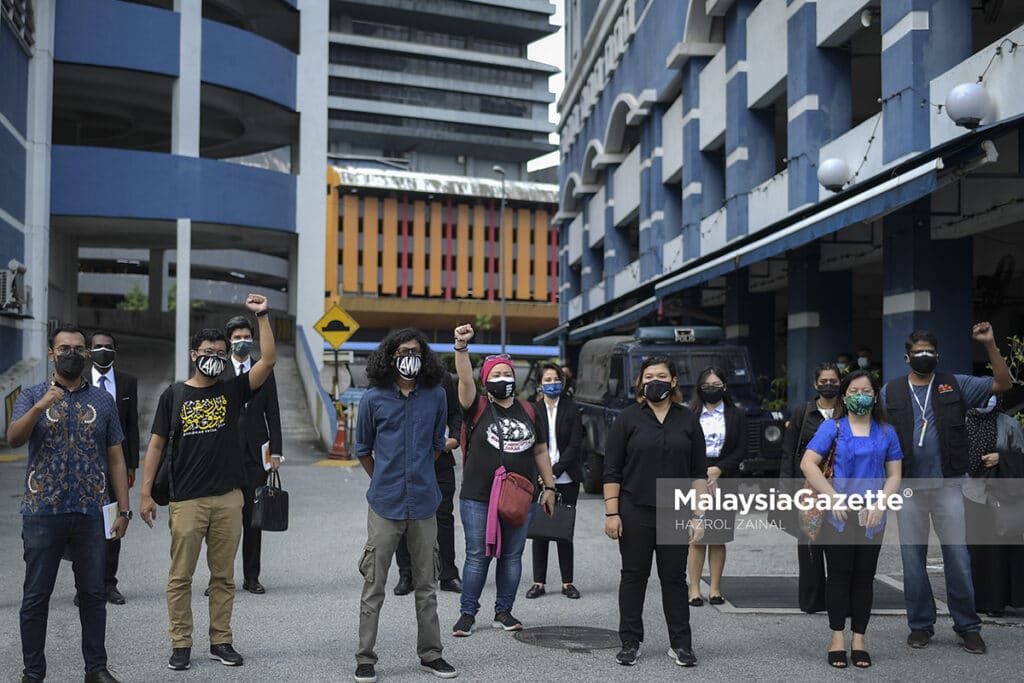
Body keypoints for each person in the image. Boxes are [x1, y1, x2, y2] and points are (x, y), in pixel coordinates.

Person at [139, 294, 277, 671]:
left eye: (221, 349)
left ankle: (221, 640)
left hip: (229, 498)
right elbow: (155, 445)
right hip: (186, 501)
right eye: (207, 350)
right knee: (180, 577)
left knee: (223, 577)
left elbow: (268, 360)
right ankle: (181, 643)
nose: (215, 354)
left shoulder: (234, 390)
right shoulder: (175, 394)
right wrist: (146, 492)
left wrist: (262, 316)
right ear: (193, 354)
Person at [8, 324, 131, 683]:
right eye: (64, 348)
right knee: (35, 598)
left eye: (78, 348)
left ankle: (96, 669)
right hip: (42, 511)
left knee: (93, 594)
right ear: (51, 353)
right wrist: (41, 407)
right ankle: (33, 672)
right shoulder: (31, 394)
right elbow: (13, 437)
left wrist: (122, 510)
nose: (72, 354)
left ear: (87, 354)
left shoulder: (103, 401)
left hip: (90, 512)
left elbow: (117, 459)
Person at [880, 324, 1011, 654]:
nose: (924, 357)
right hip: (908, 487)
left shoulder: (957, 384)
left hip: (949, 484)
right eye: (918, 352)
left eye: (929, 352)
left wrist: (990, 345)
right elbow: (878, 436)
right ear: (906, 357)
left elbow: (1003, 383)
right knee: (912, 559)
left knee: (957, 557)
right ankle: (921, 625)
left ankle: (967, 626)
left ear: (936, 356)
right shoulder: (889, 391)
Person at [353, 328, 457, 683]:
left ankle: (431, 655)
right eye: (401, 352)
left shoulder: (436, 395)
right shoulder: (373, 399)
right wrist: (384, 478)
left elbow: (436, 443)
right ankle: (365, 659)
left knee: (427, 585)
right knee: (374, 584)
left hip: (425, 503)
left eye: (414, 351)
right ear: (389, 358)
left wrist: (420, 473)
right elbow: (363, 450)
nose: (408, 357)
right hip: (385, 504)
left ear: (424, 356)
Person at [451, 323, 556, 637]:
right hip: (478, 495)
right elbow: (465, 379)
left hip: (520, 495)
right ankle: (467, 614)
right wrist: (461, 347)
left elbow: (540, 450)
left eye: (506, 374)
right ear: (486, 381)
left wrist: (549, 487)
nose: (502, 379)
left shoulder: (529, 410)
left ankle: (504, 611)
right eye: (495, 375)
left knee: (512, 556)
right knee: (477, 555)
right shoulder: (477, 406)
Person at [603, 356, 707, 668]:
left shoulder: (687, 420)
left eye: (662, 375)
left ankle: (681, 644)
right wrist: (612, 514)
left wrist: (700, 516)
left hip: (676, 508)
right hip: (634, 509)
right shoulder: (628, 419)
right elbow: (611, 470)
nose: (654, 381)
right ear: (640, 383)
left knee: (674, 578)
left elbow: (698, 473)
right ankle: (630, 642)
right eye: (648, 376)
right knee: (634, 576)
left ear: (674, 381)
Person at [801, 369, 903, 669]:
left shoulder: (886, 432)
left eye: (867, 392)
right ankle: (837, 638)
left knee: (864, 577)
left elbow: (894, 474)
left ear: (876, 396)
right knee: (839, 576)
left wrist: (882, 504)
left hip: (873, 517)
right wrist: (831, 497)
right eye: (855, 391)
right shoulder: (832, 428)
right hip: (838, 517)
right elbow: (809, 463)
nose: (861, 396)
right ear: (844, 396)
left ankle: (859, 639)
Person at [220, 315, 282, 595]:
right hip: (226, 455)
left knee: (253, 520)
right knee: (223, 522)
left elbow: (274, 413)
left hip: (257, 456)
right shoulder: (218, 371)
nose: (242, 342)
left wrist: (276, 452)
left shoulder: (264, 369)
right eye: (237, 338)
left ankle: (251, 577)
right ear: (228, 341)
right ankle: (220, 578)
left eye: (247, 337)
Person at [779, 362, 842, 613]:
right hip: (808, 491)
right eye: (824, 382)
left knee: (839, 546)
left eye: (833, 381)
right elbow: (788, 451)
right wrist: (785, 489)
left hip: (840, 490)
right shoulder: (802, 412)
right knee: (809, 545)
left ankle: (838, 597)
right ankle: (812, 600)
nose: (829, 386)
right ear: (815, 385)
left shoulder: (848, 412)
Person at [394, 371, 463, 596]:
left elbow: (455, 414)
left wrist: (454, 438)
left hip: (440, 459)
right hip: (405, 460)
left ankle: (448, 574)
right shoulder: (394, 379)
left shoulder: (441, 379)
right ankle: (407, 574)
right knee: (404, 517)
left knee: (443, 516)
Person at [686, 366, 746, 607]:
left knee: (718, 537)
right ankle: (694, 589)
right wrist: (700, 473)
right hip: (694, 477)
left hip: (725, 477)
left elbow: (742, 448)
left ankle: (715, 589)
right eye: (707, 385)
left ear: (725, 387)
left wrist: (719, 469)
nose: (711, 389)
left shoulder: (736, 414)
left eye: (716, 385)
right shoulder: (689, 414)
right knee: (696, 536)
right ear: (700, 388)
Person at [89, 330, 139, 606]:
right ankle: (85, 584)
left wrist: (132, 465)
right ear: (89, 351)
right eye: (97, 347)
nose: (103, 351)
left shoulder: (128, 382)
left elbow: (132, 426)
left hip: (116, 467)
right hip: (85, 467)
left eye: (108, 347)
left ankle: (109, 583)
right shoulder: (79, 381)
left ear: (115, 351)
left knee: (114, 524)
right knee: (85, 527)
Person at [962, 396, 1024, 617]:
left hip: (1002, 496)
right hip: (970, 493)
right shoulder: (963, 422)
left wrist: (1002, 458)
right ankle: (977, 600)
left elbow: (1021, 456)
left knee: (1000, 550)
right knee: (975, 550)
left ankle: (998, 602)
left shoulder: (1008, 424)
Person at [526, 363, 584, 600]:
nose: (552, 384)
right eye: (547, 380)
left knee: (563, 529)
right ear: (540, 383)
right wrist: (543, 475)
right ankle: (538, 582)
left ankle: (567, 582)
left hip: (567, 477)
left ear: (563, 382)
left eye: (556, 379)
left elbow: (575, 445)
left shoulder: (573, 410)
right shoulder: (533, 410)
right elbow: (529, 444)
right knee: (539, 530)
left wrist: (554, 471)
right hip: (538, 478)